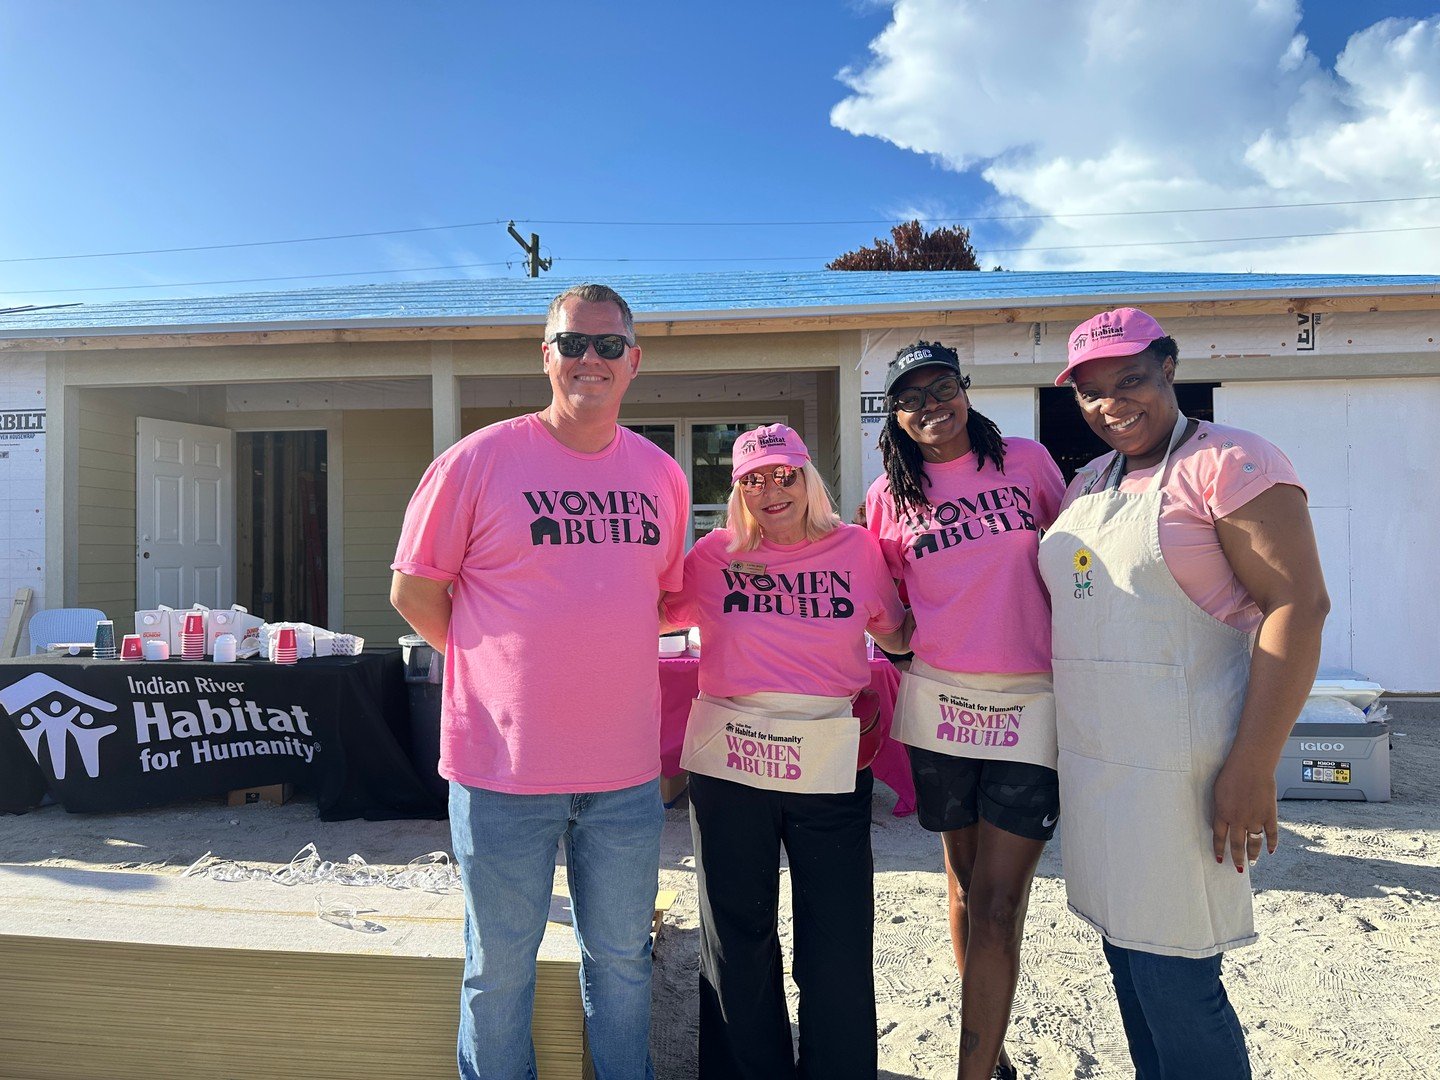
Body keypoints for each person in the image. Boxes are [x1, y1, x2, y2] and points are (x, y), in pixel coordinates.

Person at [390, 283, 690, 1080]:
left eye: (607, 345)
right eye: (572, 343)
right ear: (546, 354)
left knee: (623, 965)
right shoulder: (476, 462)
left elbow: (654, 599)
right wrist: (494, 662)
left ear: (635, 361)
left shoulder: (661, 475)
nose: (589, 359)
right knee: (498, 972)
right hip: (501, 773)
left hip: (625, 778)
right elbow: (414, 592)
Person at [1039, 308, 1329, 1079]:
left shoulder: (1230, 462)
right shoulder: (1089, 480)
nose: (1111, 404)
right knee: (1128, 967)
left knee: (1177, 980)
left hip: (1184, 774)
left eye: (1130, 379)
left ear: (1170, 367)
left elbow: (1299, 605)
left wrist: (1254, 766)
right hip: (1101, 774)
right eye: (1091, 392)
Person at [662, 423, 909, 1080]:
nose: (771, 490)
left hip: (828, 759)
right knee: (737, 937)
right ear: (737, 488)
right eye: (753, 479)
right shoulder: (713, 555)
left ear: (808, 480)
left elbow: (898, 629)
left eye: (784, 475)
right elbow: (647, 607)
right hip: (730, 762)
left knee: (836, 940)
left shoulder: (856, 550)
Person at [865, 341, 1064, 1080]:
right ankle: (994, 1043)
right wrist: (905, 655)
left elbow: (1076, 555)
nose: (930, 405)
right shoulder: (890, 494)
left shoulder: (1025, 461)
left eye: (941, 387)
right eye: (911, 397)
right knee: (962, 885)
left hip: (1028, 706)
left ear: (964, 388)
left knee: (999, 898)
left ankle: (971, 1070)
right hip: (940, 708)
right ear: (895, 414)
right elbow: (882, 603)